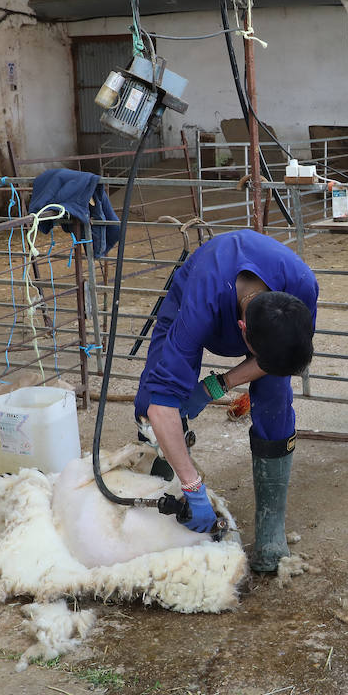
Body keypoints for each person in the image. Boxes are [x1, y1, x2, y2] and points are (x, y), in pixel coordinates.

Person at [133, 229, 317, 573]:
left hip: (262, 325)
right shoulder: (200, 307)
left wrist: (215, 387)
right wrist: (193, 486)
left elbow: (279, 358)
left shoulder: (302, 286)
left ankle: (270, 527)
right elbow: (161, 404)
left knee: (276, 397)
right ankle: (161, 491)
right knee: (153, 398)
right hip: (198, 295)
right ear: (241, 329)